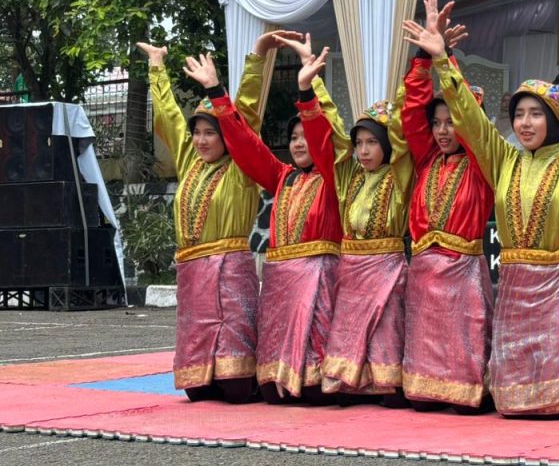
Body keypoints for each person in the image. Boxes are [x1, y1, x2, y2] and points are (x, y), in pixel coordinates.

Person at [403, 0, 559, 418]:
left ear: (553, 122)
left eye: (536, 114)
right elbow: (468, 118)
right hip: (517, 283)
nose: (524, 122)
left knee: (556, 403)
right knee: (510, 404)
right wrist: (442, 60)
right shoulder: (502, 159)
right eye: (519, 114)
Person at [187, 34, 340, 405]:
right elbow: (243, 141)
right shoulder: (280, 176)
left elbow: (324, 140)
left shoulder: (336, 176)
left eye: (305, 136)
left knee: (314, 390)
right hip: (278, 287)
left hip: (317, 284)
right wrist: (217, 92)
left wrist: (307, 92)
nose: (299, 143)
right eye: (293, 137)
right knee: (272, 392)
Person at [273, 34, 413, 407]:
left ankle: (388, 384)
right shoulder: (348, 177)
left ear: (388, 145)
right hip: (351, 271)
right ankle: (355, 383)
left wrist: (424, 62)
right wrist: (310, 85)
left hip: (386, 266)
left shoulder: (399, 175)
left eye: (372, 142)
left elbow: (403, 127)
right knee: (350, 335)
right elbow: (331, 129)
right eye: (360, 143)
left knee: (386, 331)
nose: (364, 150)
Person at [137, 41, 267, 403]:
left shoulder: (241, 167)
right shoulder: (190, 161)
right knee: (198, 390)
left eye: (211, 132)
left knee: (237, 388)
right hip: (193, 273)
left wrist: (255, 59)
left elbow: (248, 117)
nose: (201, 140)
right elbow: (168, 116)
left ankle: (256, 376)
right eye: (198, 133)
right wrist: (158, 67)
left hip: (229, 271)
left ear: (227, 136)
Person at [400, 0, 495, 413]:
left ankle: (467, 389)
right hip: (423, 270)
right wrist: (423, 59)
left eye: (449, 123)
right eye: (436, 123)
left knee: (464, 340)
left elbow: (468, 117)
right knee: (422, 393)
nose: (442, 131)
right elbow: (410, 113)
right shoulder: (425, 159)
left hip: (462, 271)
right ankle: (425, 387)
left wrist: (445, 61)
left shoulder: (481, 162)